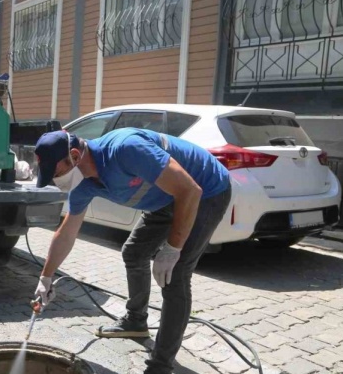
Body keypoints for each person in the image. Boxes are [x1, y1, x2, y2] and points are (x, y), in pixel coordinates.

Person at [32, 128, 232, 374]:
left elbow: (189, 191)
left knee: (175, 275)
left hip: (205, 190)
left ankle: (160, 366)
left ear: (74, 156)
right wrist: (46, 277)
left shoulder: (126, 149)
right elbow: (67, 231)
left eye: (56, 173)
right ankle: (136, 321)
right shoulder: (84, 184)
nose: (56, 180)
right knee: (134, 253)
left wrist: (172, 248)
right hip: (165, 197)